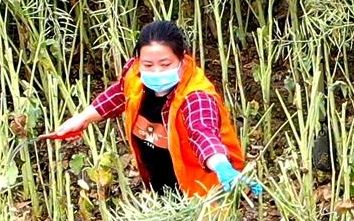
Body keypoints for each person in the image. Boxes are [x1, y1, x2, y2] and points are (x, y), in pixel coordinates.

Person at [44, 20, 253, 198]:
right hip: (159, 186)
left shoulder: (195, 96)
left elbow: (202, 132)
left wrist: (222, 167)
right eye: (148, 65)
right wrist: (81, 119)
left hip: (198, 195)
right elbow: (120, 93)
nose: (156, 71)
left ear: (182, 59)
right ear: (138, 61)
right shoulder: (135, 75)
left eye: (165, 64)